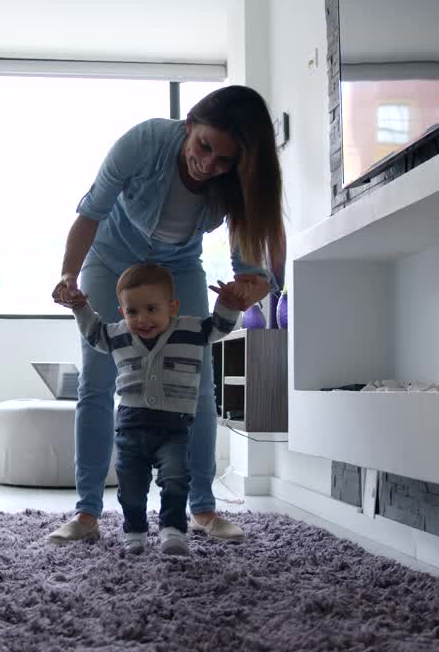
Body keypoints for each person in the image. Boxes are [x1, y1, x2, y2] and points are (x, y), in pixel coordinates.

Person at [48, 85, 285, 545]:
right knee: (98, 376)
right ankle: (87, 514)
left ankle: (203, 509)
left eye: (223, 161)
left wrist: (247, 289)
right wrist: (68, 276)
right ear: (189, 124)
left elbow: (256, 271)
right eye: (203, 147)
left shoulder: (237, 182)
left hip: (178, 265)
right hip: (111, 254)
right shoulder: (144, 142)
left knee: (197, 381)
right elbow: (91, 212)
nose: (208, 164)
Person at [65, 262, 249, 555]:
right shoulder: (118, 335)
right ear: (122, 311)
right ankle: (135, 530)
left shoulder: (191, 330)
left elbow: (219, 326)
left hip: (174, 429)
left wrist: (227, 303)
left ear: (172, 307)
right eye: (132, 311)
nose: (143, 319)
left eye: (152, 309)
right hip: (130, 428)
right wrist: (80, 307)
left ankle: (173, 529)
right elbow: (93, 332)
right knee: (131, 486)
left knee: (176, 480)